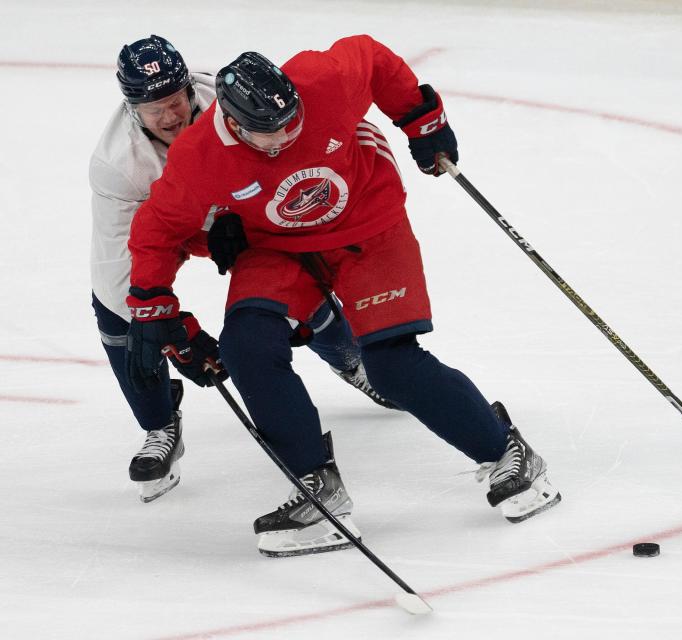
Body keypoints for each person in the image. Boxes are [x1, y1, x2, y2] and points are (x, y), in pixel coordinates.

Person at [125, 35, 561, 557]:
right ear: (235, 125)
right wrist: (152, 305)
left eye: (292, 123)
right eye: (269, 133)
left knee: (392, 367)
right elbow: (156, 229)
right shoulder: (199, 157)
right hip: (277, 248)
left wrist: (421, 119)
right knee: (248, 349)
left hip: (368, 224)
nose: (286, 136)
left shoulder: (321, 82)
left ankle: (505, 450)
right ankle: (316, 486)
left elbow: (372, 57)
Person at [90, 35, 390, 504]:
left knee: (292, 280)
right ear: (132, 108)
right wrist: (169, 327)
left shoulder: (236, 103)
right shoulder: (117, 165)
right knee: (118, 317)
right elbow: (119, 267)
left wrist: (236, 214)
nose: (169, 116)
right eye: (154, 110)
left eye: (175, 101)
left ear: (190, 88)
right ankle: (159, 425)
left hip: (247, 211)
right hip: (171, 228)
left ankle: (349, 359)